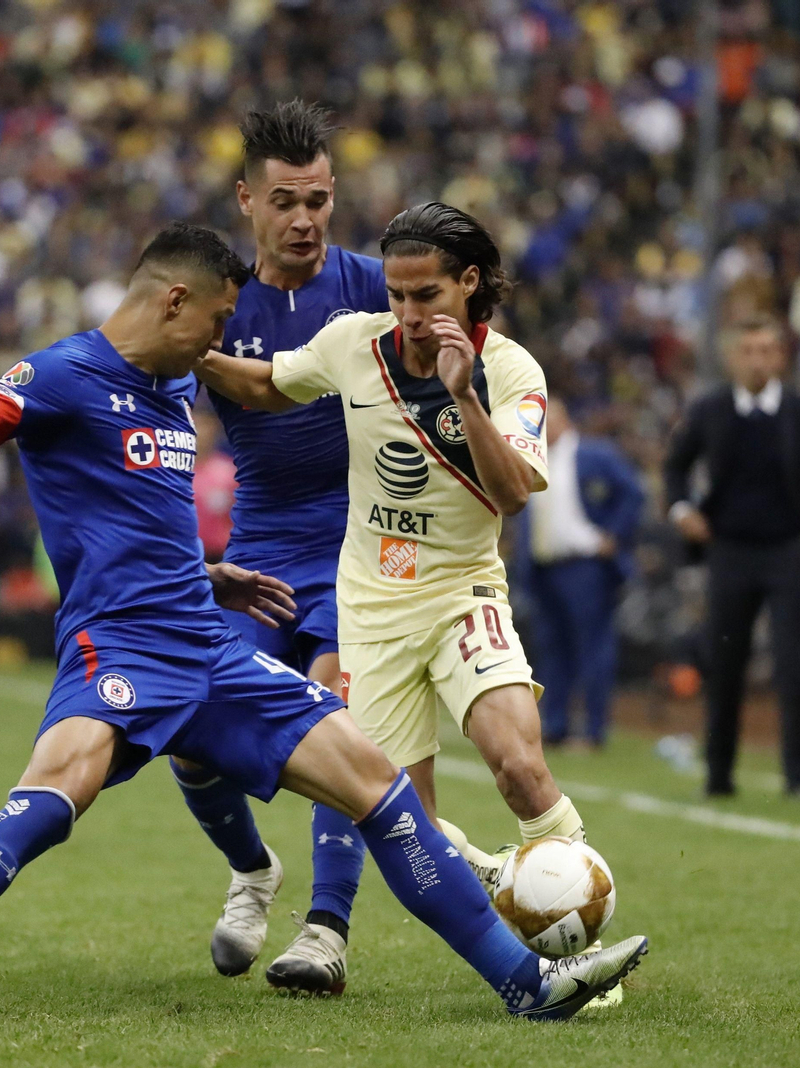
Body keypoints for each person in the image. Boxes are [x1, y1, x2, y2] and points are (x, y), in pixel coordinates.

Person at [0, 221, 647, 1028]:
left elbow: (138, 515)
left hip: (207, 644)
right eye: (218, 321)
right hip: (119, 645)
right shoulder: (60, 375)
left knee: (377, 784)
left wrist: (205, 574)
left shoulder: (175, 386)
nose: (220, 342)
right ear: (176, 301)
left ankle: (524, 983)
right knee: (51, 799)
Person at [198, 203, 613, 998]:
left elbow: (513, 496)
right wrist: (193, 353)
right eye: (396, 295)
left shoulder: (513, 372)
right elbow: (269, 386)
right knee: (404, 823)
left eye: (427, 296)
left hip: (463, 593)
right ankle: (519, 895)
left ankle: (583, 916)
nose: (410, 314)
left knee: (521, 766)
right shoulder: (356, 343)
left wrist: (462, 397)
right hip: (374, 612)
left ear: (469, 283)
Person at [169, 100, 391, 984]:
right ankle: (253, 869)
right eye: (286, 201)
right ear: (247, 202)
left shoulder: (375, 285)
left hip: (358, 550)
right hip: (258, 552)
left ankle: (325, 933)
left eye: (320, 200)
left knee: (335, 716)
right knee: (191, 728)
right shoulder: (215, 304)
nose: (305, 219)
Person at [663, 313, 800, 797]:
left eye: (767, 350)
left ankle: (797, 778)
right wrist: (682, 510)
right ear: (732, 357)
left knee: (794, 669)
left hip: (789, 551)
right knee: (724, 664)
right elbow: (675, 465)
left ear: (781, 357)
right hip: (728, 550)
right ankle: (719, 775)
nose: (757, 360)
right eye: (748, 350)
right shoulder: (711, 409)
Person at [511, 397, 644, 748]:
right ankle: (555, 727)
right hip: (543, 567)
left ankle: (594, 729)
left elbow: (632, 493)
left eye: (549, 418)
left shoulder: (594, 454)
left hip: (584, 565)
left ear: (565, 419)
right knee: (551, 649)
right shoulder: (530, 457)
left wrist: (613, 534)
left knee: (593, 647)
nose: (544, 425)